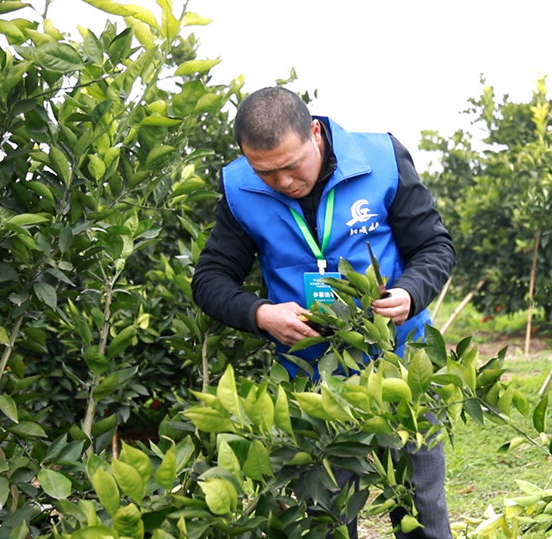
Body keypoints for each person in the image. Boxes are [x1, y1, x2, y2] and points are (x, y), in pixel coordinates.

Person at [192, 86, 456, 538]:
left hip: (402, 365)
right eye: (266, 172)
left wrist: (411, 293)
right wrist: (261, 314)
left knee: (421, 510)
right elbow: (210, 279)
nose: (283, 182)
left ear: (315, 132)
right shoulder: (240, 187)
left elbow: (434, 246)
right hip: (316, 380)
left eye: (292, 166)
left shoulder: (381, 159)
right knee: (326, 517)